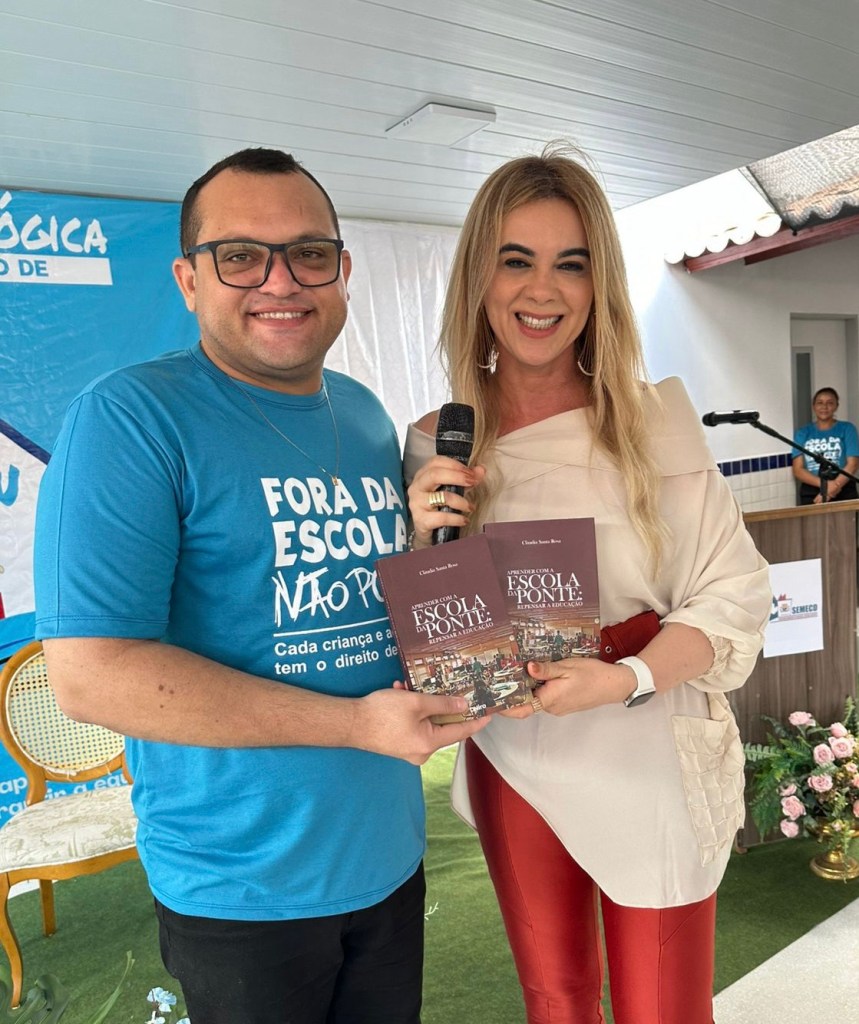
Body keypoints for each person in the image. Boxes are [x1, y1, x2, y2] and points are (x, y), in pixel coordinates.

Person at [33, 148, 489, 1024]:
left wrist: (433, 541)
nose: (280, 280)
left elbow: (361, 600)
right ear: (188, 279)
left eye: (309, 253)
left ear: (342, 272)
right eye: (240, 255)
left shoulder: (361, 412)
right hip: (241, 889)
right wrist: (354, 726)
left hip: (386, 854)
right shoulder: (131, 418)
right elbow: (91, 676)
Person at [403, 146, 772, 1024]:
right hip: (515, 751)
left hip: (646, 743)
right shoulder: (434, 439)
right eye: (515, 260)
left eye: (570, 263)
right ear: (478, 276)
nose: (542, 290)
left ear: (599, 282)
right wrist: (422, 541)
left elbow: (731, 591)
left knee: (663, 1008)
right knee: (555, 999)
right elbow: (442, 649)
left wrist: (625, 678)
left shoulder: (654, 421)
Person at [792, 386, 859, 504]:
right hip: (812, 489)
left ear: (836, 406)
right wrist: (825, 486)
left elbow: (853, 464)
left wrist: (833, 488)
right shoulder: (803, 433)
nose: (824, 407)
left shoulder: (847, 428)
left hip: (843, 487)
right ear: (814, 406)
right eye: (820, 403)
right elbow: (798, 470)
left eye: (830, 403)